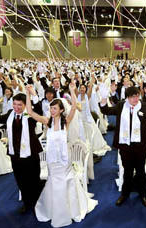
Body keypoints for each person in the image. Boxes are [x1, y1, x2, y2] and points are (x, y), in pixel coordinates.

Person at [26, 83, 97, 227]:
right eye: (51, 108)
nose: (52, 111)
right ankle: (55, 209)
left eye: (54, 108)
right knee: (55, 182)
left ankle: (72, 209)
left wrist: (72, 91)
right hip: (52, 161)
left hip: (65, 161)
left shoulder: (67, 121)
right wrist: (28, 94)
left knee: (67, 181)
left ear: (61, 110)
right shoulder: (47, 122)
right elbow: (30, 112)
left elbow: (74, 108)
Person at [0, 91, 43, 214]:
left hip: (31, 154)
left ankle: (38, 203)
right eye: (14, 104)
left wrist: (34, 95)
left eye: (20, 105)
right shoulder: (10, 114)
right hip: (16, 155)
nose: (16, 107)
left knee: (34, 180)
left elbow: (40, 111)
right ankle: (27, 203)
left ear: (25, 105)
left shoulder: (31, 115)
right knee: (21, 181)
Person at [99, 86, 146, 207]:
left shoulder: (144, 106)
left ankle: (142, 194)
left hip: (140, 146)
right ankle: (124, 194)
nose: (136, 98)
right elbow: (106, 111)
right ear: (127, 97)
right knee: (127, 170)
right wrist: (104, 99)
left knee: (141, 170)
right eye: (133, 96)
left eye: (137, 95)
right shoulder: (121, 106)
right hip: (125, 146)